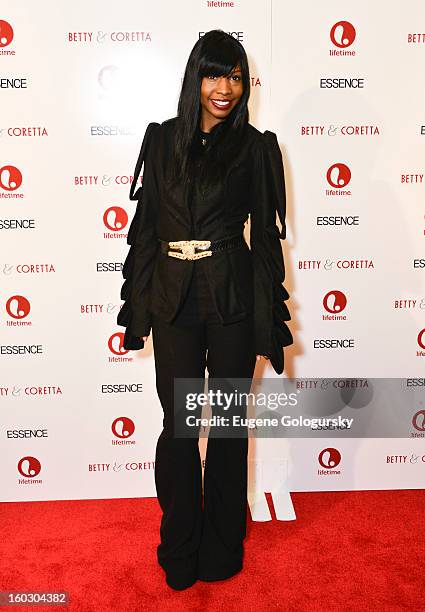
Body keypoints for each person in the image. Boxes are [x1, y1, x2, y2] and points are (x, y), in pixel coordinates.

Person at [117, 29, 293, 590]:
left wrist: (270, 321)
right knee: (181, 425)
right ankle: (179, 543)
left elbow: (265, 241)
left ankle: (223, 543)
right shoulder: (161, 140)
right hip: (174, 301)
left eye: (236, 76)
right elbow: (145, 233)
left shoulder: (257, 148)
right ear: (195, 77)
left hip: (234, 299)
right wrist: (136, 312)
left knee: (228, 427)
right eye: (215, 74)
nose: (225, 88)